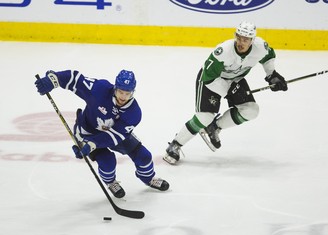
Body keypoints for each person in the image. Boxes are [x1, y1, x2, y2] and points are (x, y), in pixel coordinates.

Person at [163, 21, 288, 165]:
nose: (241, 42)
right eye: (239, 37)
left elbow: (268, 56)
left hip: (235, 79)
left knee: (251, 110)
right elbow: (208, 77)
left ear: (252, 40)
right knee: (204, 117)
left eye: (245, 39)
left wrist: (272, 74)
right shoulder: (224, 51)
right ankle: (175, 144)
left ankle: (215, 127)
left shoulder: (260, 47)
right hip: (211, 80)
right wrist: (229, 90)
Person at [35, 69, 169, 198]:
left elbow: (114, 137)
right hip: (87, 132)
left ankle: (148, 178)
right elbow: (76, 80)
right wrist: (54, 79)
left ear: (133, 92)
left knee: (144, 156)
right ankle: (111, 182)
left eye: (127, 93)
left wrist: (93, 145)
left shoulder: (134, 113)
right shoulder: (100, 89)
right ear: (115, 88)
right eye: (121, 92)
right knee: (107, 161)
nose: (123, 97)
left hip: (112, 135)